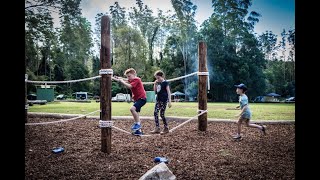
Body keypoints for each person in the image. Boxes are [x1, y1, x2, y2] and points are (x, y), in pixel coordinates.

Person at [114, 68, 147, 136]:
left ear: (134, 74)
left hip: (142, 99)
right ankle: (138, 131)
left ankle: (137, 124)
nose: (128, 78)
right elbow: (125, 79)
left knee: (132, 109)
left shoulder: (137, 79)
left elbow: (129, 86)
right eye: (127, 76)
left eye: (129, 76)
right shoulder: (132, 79)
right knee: (136, 113)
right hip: (137, 99)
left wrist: (121, 81)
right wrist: (113, 77)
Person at [150, 70, 172, 134]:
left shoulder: (165, 83)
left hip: (164, 100)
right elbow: (155, 91)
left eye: (158, 78)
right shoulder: (158, 83)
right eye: (156, 78)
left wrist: (169, 101)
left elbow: (168, 92)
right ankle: (157, 128)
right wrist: (155, 84)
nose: (157, 79)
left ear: (162, 76)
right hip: (158, 100)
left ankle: (166, 128)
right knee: (155, 113)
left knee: (162, 114)